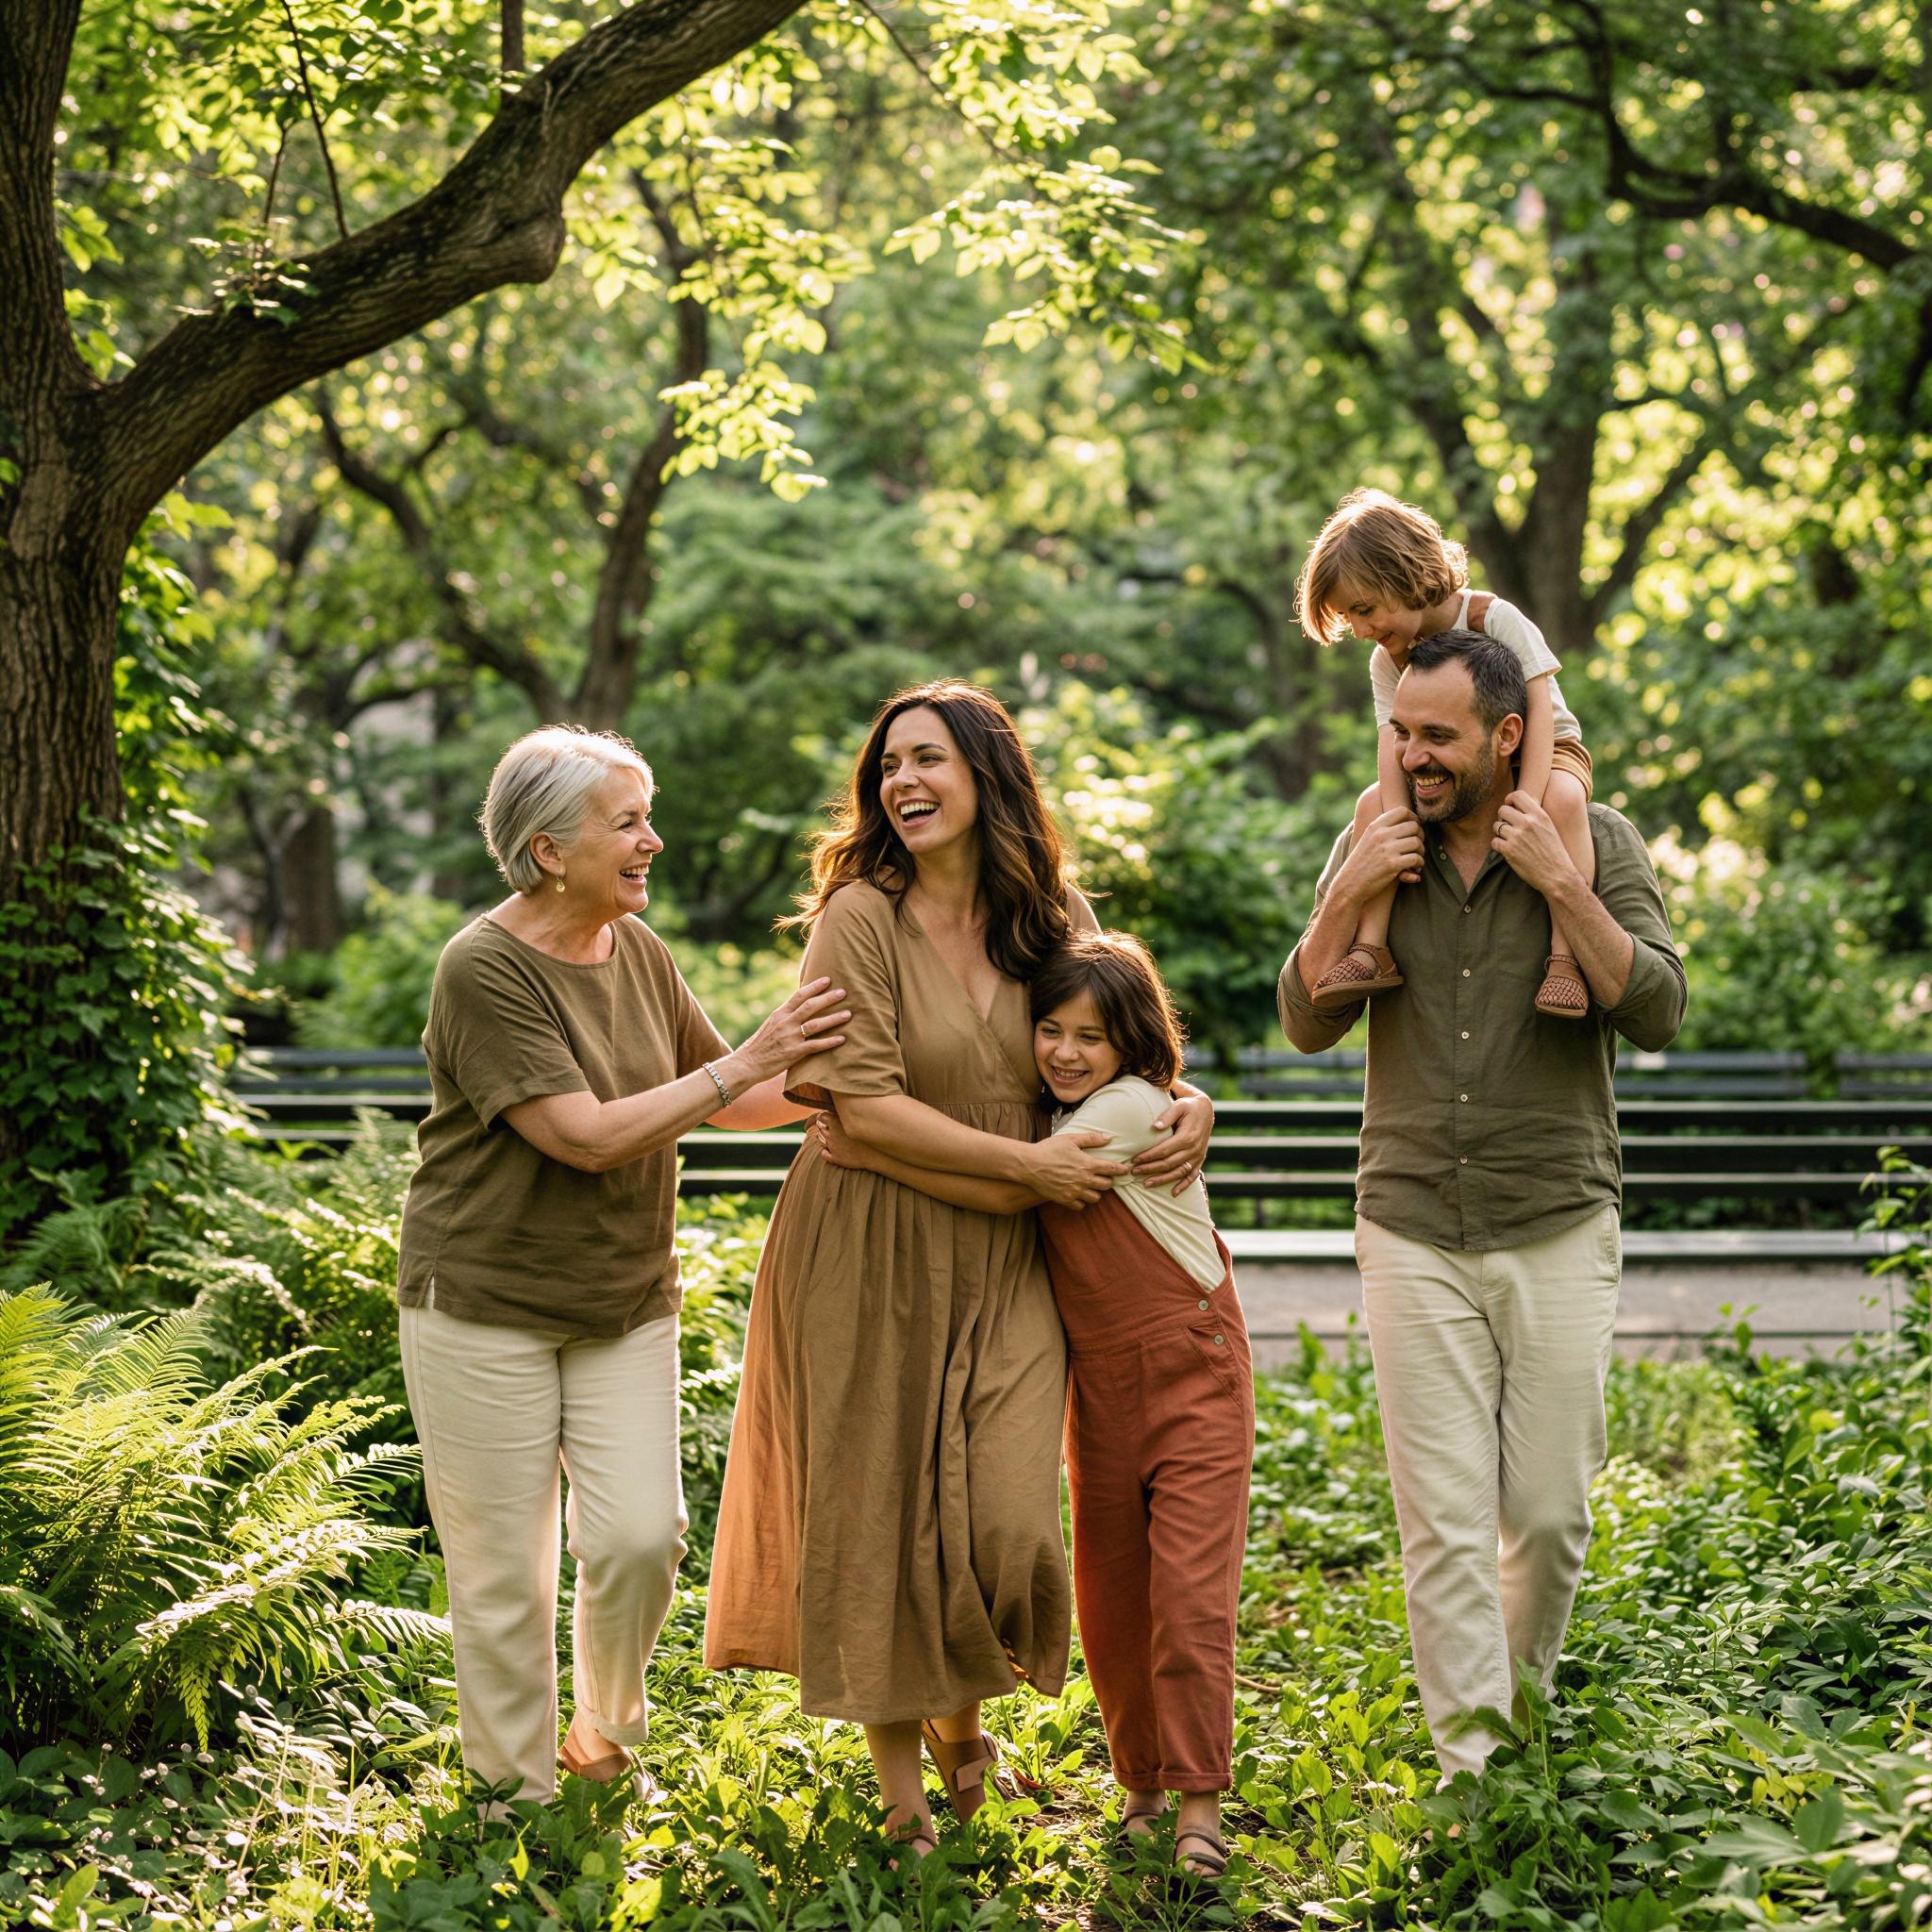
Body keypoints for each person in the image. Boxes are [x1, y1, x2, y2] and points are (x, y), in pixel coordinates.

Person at [703, 681, 1215, 1859]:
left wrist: (1186, 1102)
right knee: (875, 1510)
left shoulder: (1052, 912)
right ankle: (907, 1803)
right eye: (888, 765)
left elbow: (1121, 1044)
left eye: (927, 758)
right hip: (868, 1237)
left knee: (1005, 1517)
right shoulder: (857, 918)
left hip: (1014, 1249)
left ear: (988, 774)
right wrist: (1029, 1166)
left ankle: (955, 1707)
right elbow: (866, 1110)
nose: (903, 782)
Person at [394, 724, 851, 1807]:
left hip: (624, 1295)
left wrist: (861, 1073)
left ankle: (600, 1731)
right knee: (504, 1574)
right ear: (549, 850)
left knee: (643, 1536)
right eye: (629, 822)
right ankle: (513, 1793)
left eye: (648, 818)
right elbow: (587, 1135)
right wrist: (749, 1057)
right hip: (483, 1302)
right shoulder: (483, 966)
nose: (653, 840)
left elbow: (734, 1095)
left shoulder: (637, 950)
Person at [1277, 630, 1686, 1781]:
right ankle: (1476, 1776)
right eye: (1401, 732)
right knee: (1442, 1522)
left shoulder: (1594, 837)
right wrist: (1346, 891)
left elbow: (1657, 1008)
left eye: (1437, 736)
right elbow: (1304, 1019)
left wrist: (1561, 884)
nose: (1412, 755)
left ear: (1508, 736)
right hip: (1407, 1217)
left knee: (1546, 1516)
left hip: (1554, 1209)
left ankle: (1517, 1716)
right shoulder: (1374, 834)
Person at [818, 931, 1253, 1879]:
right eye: (1048, 1029)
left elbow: (1013, 1190)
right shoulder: (1061, 1109)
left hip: (1192, 1368)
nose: (1062, 1050)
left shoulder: (1120, 1111)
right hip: (1100, 1382)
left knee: (1187, 1596)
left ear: (1131, 1045)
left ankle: (1199, 1806)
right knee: (1112, 1599)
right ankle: (1140, 1788)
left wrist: (872, 1150)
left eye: (1089, 1036)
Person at [1296, 487, 1598, 1020]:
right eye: (1349, 618)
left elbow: (1539, 714)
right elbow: (1392, 743)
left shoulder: (1493, 618)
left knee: (1564, 802)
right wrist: (1395, 822)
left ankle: (1565, 958)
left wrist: (1528, 804)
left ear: (1405, 576)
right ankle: (1370, 949)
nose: (1361, 630)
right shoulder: (1387, 661)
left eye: (1364, 610)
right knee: (1372, 810)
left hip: (1547, 749)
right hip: (1452, 768)